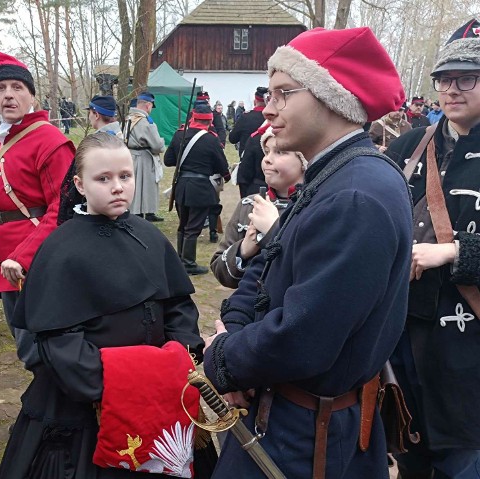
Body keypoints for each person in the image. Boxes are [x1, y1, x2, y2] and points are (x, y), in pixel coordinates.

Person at [202, 27, 414, 478]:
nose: (268, 107)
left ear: (329, 96)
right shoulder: (332, 176)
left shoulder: (357, 194)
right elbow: (265, 264)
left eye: (283, 93)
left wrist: (222, 360)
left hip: (306, 437)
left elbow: (303, 338)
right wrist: (232, 343)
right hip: (281, 417)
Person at [0, 132, 206, 479]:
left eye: (125, 176)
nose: (117, 187)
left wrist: (178, 356)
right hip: (89, 404)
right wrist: (110, 384)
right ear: (79, 183)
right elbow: (58, 339)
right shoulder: (61, 249)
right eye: (103, 178)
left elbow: (179, 305)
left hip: (158, 393)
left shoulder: (150, 236)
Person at [385, 18, 480, 479]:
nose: (451, 89)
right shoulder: (407, 146)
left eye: (467, 78)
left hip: (469, 353)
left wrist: (457, 253)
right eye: (444, 78)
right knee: (407, 450)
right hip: (404, 335)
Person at [0, 50, 75, 369]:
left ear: (32, 95)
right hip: (3, 250)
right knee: (24, 338)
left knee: (40, 341)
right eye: (0, 89)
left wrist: (24, 255)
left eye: (17, 87)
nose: (8, 95)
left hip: (35, 255)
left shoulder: (49, 140)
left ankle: (52, 407)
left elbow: (64, 205)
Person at [210, 125, 306, 289]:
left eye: (280, 152)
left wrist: (273, 231)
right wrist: (243, 249)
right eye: (266, 151)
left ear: (304, 161)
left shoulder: (314, 206)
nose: (267, 159)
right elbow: (220, 270)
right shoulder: (249, 205)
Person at [164, 104, 230, 275]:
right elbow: (221, 165)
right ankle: (188, 263)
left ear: (193, 117)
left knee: (183, 225)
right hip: (200, 188)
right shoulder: (211, 139)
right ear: (209, 120)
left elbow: (168, 160)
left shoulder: (179, 135)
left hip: (181, 186)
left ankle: (180, 259)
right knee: (193, 227)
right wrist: (226, 175)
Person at [123, 91, 165, 222]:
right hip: (144, 157)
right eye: (151, 105)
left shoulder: (129, 117)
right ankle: (140, 213)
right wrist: (162, 143)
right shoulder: (145, 122)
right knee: (145, 187)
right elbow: (157, 145)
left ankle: (147, 212)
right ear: (147, 105)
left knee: (137, 186)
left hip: (131, 155)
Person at [229, 87, 268, 157]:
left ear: (255, 101)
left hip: (247, 158)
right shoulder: (273, 117)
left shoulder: (245, 117)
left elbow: (233, 138)